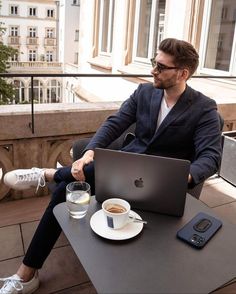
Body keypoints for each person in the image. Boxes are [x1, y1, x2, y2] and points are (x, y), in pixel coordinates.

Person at [0, 38, 222, 294]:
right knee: (67, 189)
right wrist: (89, 152)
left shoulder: (204, 109)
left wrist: (182, 177)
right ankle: (27, 274)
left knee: (66, 184)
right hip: (127, 172)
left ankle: (48, 174)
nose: (152, 70)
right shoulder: (145, 92)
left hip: (162, 189)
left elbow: (210, 156)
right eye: (153, 62)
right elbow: (115, 122)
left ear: (183, 73)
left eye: (161, 67)